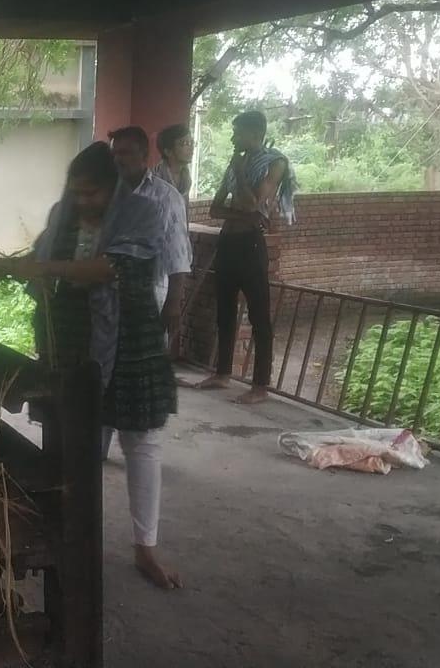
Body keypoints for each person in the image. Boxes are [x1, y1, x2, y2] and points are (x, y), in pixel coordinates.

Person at [31, 141, 181, 589]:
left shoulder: (143, 212)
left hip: (131, 339)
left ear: (113, 187)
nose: (83, 202)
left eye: (92, 193)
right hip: (75, 343)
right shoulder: (63, 215)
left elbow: (106, 270)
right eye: (77, 192)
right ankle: (72, 536)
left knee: (142, 444)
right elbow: (43, 267)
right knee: (80, 443)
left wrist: (39, 268)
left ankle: (145, 547)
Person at [197, 110, 294, 404]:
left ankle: (260, 386)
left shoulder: (275, 163)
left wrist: (241, 179)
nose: (233, 138)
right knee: (224, 311)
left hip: (251, 245)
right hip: (229, 241)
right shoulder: (234, 163)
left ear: (254, 134)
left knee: (258, 315)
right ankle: (222, 373)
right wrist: (244, 211)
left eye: (237, 133)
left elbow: (255, 202)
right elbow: (215, 209)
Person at [108, 126, 192, 344]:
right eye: (114, 153)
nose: (118, 159)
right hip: (109, 293)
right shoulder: (109, 193)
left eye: (125, 153)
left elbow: (178, 253)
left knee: (146, 357)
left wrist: (174, 302)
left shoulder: (165, 197)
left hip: (151, 293)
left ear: (143, 155)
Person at [153, 124, 194, 201]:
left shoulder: (186, 178)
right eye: (185, 143)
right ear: (168, 151)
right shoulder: (155, 180)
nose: (191, 148)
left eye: (191, 142)